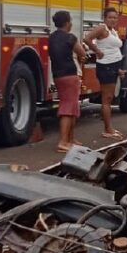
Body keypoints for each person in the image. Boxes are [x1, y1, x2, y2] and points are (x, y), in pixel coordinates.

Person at [49, 10, 88, 153]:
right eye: (70, 21)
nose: (71, 23)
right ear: (67, 23)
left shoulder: (51, 37)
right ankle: (64, 141)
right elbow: (82, 53)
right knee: (67, 108)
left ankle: (71, 139)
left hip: (58, 75)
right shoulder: (70, 38)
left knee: (72, 107)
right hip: (70, 75)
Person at [83, 7, 125, 139]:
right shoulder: (102, 28)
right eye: (110, 17)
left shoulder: (112, 31)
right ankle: (108, 129)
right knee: (106, 100)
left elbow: (112, 49)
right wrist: (97, 51)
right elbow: (87, 38)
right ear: (105, 18)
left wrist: (118, 69)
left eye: (115, 17)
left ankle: (109, 128)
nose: (113, 20)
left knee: (109, 98)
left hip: (112, 67)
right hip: (106, 67)